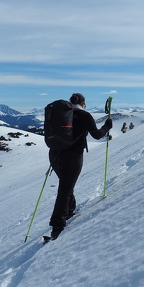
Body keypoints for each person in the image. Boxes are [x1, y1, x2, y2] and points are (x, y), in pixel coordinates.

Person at [48, 93, 112, 240]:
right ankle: (57, 225)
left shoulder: (63, 114)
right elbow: (97, 134)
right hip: (72, 156)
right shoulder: (84, 115)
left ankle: (70, 210)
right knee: (65, 188)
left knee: (66, 185)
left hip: (54, 154)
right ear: (83, 103)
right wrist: (107, 126)